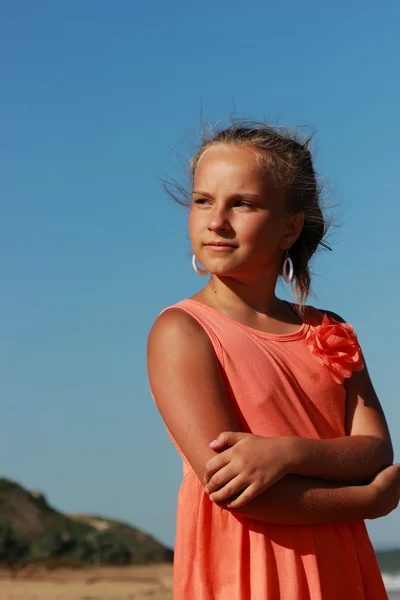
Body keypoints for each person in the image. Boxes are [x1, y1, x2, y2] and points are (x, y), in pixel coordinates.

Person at [147, 122, 399, 599]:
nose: (216, 220)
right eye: (203, 200)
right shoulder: (182, 331)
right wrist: (368, 500)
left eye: (242, 203)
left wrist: (286, 452)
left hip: (341, 566)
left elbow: (374, 450)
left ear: (290, 226)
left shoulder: (329, 330)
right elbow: (240, 491)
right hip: (245, 570)